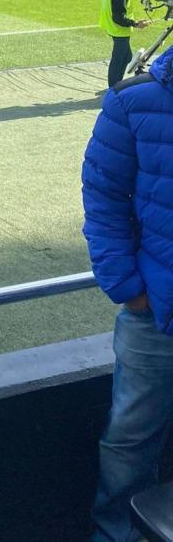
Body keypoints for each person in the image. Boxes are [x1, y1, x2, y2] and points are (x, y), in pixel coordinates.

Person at [82, 44, 173, 541]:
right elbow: (102, 196)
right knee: (129, 441)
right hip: (156, 313)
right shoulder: (132, 101)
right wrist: (129, 290)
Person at [100, 0, 154, 88]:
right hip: (119, 30)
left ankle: (116, 84)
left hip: (111, 27)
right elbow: (118, 18)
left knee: (127, 56)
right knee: (118, 60)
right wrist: (136, 23)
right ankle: (114, 88)